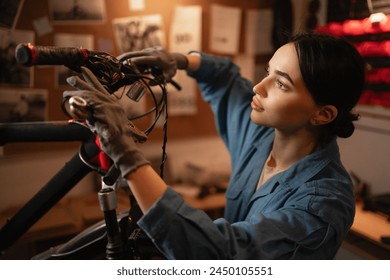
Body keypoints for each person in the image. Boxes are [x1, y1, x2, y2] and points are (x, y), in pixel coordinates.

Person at [63, 32, 366, 259]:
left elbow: (224, 255)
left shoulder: (323, 204)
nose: (259, 88)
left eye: (282, 83)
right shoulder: (260, 137)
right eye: (267, 73)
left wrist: (124, 151)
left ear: (323, 114)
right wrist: (181, 61)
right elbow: (225, 79)